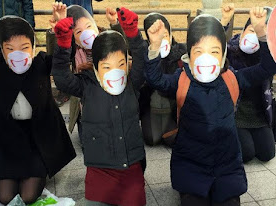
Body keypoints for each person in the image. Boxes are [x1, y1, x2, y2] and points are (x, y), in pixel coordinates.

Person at [143, 7, 276, 206]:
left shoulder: (233, 78)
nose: (207, 58)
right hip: (191, 165)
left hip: (226, 166)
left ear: (223, 54)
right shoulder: (182, 79)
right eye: (199, 51)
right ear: (189, 54)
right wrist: (154, 47)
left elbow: (267, 67)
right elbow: (155, 79)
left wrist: (261, 34)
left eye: (214, 51)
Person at [0, 3, 76, 205]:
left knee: (27, 196)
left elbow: (65, 56)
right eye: (10, 49)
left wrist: (62, 27)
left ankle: (38, 168)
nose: (17, 54)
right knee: (5, 197)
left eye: (24, 48)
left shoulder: (41, 62)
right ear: (2, 50)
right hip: (9, 139)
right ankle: (11, 171)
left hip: (38, 138)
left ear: (33, 47)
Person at [52, 6, 147, 206]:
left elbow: (142, 61)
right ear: (95, 67)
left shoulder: (132, 82)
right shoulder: (86, 84)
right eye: (106, 67)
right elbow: (61, 78)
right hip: (99, 168)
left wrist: (133, 35)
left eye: (120, 64)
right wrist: (62, 44)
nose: (115, 71)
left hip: (131, 164)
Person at [49, 2, 125, 136]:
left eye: (89, 26)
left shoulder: (107, 39)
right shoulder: (73, 50)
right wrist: (59, 33)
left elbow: (124, 49)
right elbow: (56, 60)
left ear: (95, 25)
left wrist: (115, 24)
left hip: (113, 102)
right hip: (87, 104)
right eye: (78, 32)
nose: (86, 33)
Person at [221, 4, 275, 163]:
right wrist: (224, 21)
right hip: (236, 113)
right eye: (251, 30)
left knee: (267, 154)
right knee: (247, 153)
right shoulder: (230, 49)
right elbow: (214, 45)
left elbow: (269, 66)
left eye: (257, 33)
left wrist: (262, 34)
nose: (253, 36)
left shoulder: (266, 56)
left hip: (258, 115)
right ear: (243, 31)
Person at [139, 12, 186, 146]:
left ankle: (169, 127)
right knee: (151, 139)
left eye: (164, 35)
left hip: (173, 105)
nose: (162, 39)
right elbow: (132, 45)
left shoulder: (181, 52)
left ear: (170, 34)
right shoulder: (146, 53)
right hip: (152, 105)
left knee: (172, 140)